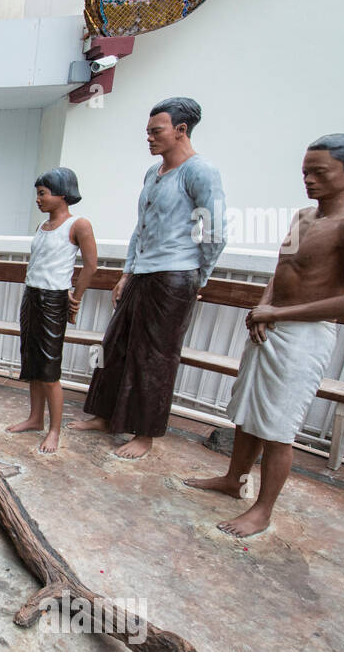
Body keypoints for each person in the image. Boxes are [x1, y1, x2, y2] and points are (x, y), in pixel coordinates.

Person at [185, 134, 344, 537]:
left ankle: (263, 510)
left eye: (319, 172)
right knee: (247, 413)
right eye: (305, 172)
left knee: (278, 426)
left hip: (305, 335)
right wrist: (262, 309)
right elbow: (282, 269)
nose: (309, 180)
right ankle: (233, 479)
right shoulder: (303, 218)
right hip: (270, 324)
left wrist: (279, 312)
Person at [69, 97, 227, 459]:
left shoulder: (200, 171)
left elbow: (216, 230)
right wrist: (127, 272)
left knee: (155, 356)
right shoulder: (152, 174)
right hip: (142, 273)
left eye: (157, 131)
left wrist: (197, 278)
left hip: (175, 275)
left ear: (181, 130)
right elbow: (140, 229)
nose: (150, 138)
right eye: (148, 132)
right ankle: (107, 417)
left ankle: (145, 433)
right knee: (116, 345)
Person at [6, 167, 98, 453]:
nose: (38, 199)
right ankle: (35, 418)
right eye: (37, 194)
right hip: (31, 296)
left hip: (54, 299)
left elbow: (91, 265)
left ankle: (54, 429)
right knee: (33, 364)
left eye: (43, 193)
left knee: (49, 368)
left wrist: (76, 297)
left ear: (62, 193)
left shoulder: (78, 225)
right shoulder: (42, 227)